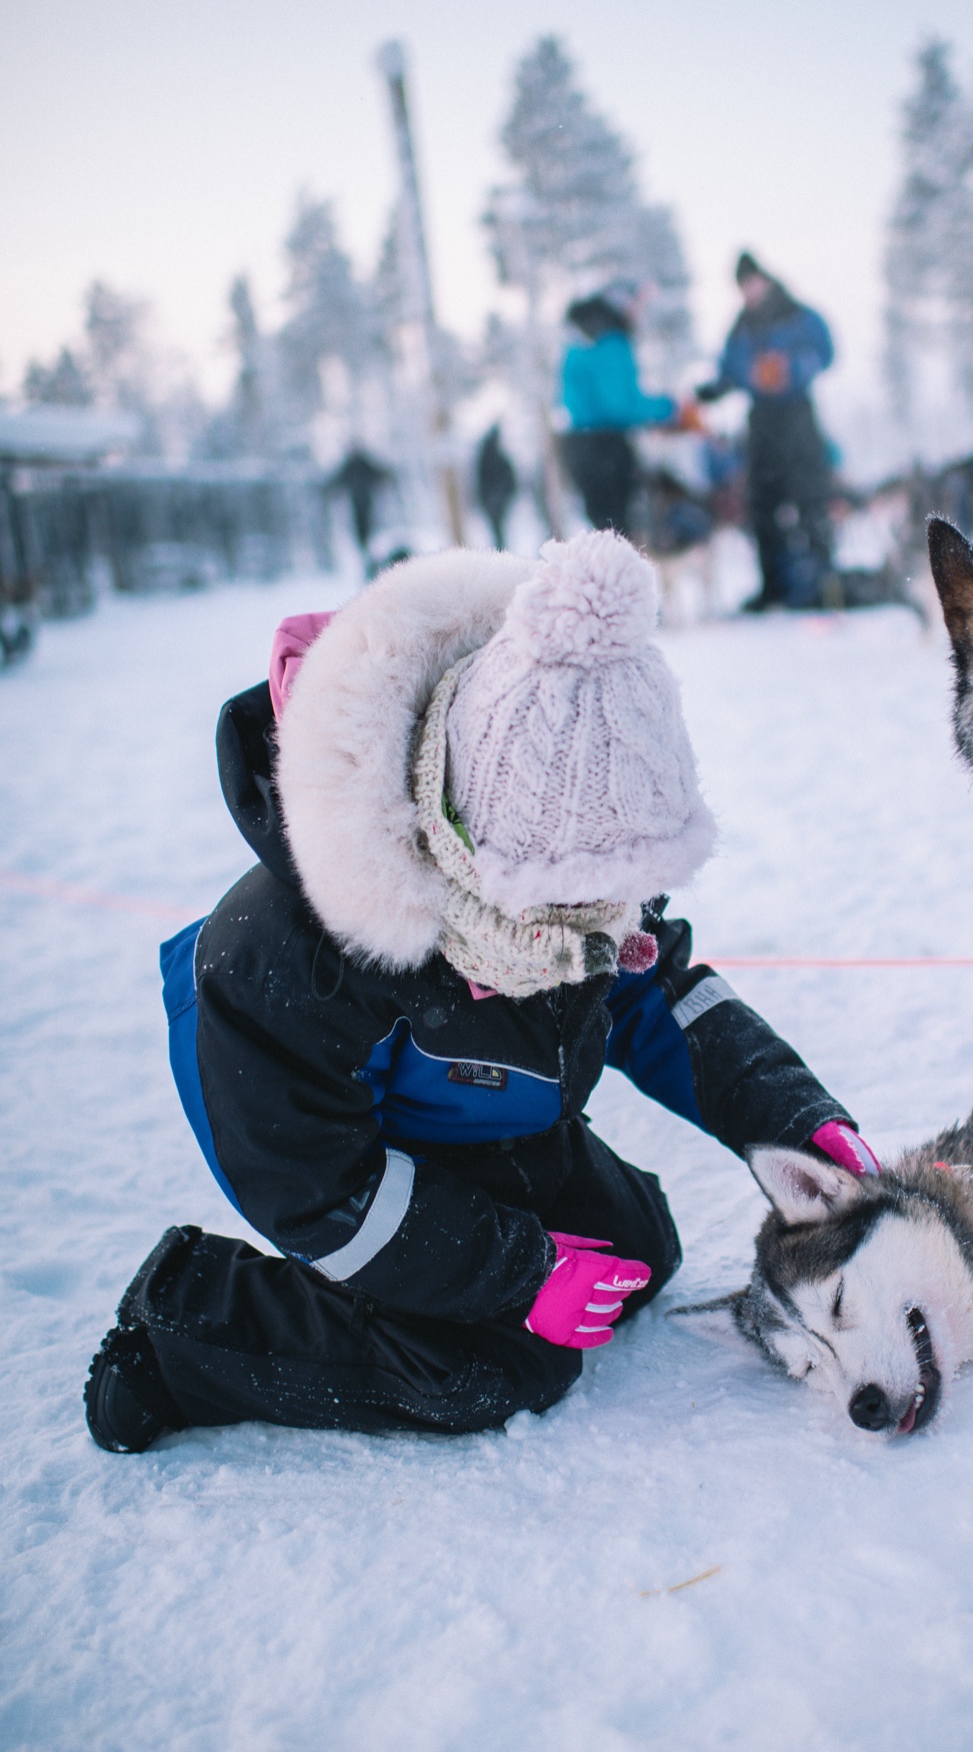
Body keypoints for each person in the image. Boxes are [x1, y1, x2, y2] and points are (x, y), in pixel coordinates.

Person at [83, 531, 877, 1453]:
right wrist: (521, 1275)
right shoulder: (291, 957)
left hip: (494, 1112)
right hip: (352, 1164)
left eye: (624, 895)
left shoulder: (588, 880)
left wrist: (788, 1115)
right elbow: (316, 1184)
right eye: (581, 905)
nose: (612, 926)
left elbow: (655, 998)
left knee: (636, 1250)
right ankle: (187, 1332)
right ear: (478, 855)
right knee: (494, 1368)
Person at [697, 253, 835, 611]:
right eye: (743, 286)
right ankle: (772, 585)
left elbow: (825, 352)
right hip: (761, 421)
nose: (749, 290)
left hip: (797, 415)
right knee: (762, 502)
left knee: (809, 498)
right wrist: (717, 388)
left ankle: (821, 580)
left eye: (753, 282)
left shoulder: (797, 314)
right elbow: (730, 366)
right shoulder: (742, 325)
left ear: (766, 279)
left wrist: (794, 367)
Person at [560, 289, 677, 533]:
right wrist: (669, 407)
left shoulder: (580, 339)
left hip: (578, 446)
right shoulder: (612, 340)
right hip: (605, 447)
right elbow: (622, 405)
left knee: (604, 531)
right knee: (620, 533)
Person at [326, 447, 395, 567]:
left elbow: (338, 480)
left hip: (360, 503)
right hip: (362, 502)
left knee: (364, 528)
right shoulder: (360, 464)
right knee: (365, 527)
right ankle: (367, 552)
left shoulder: (354, 465)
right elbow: (377, 473)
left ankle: (367, 552)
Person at [475, 423, 517, 550]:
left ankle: (501, 550)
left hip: (495, 500)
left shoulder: (488, 456)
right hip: (493, 500)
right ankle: (501, 550)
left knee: (498, 529)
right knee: (497, 529)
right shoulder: (492, 456)